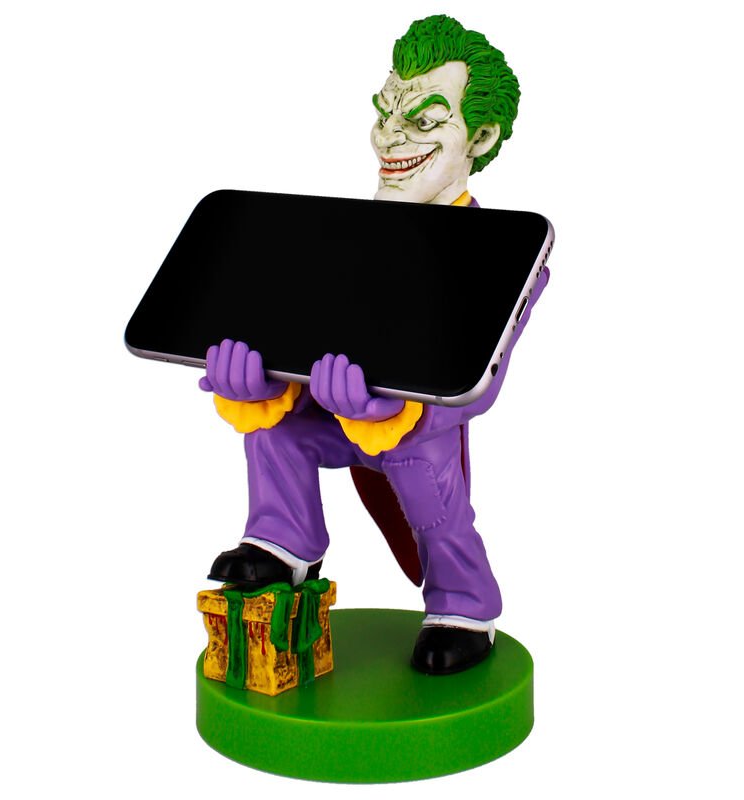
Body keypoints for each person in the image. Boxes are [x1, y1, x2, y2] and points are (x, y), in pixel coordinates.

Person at [199, 15, 549, 674]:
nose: (389, 137)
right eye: (385, 112)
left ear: (479, 137)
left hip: (418, 436)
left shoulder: (500, 256)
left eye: (423, 121)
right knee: (273, 432)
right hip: (332, 414)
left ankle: (463, 602)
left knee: (425, 472)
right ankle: (282, 541)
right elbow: (303, 330)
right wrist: (266, 382)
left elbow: (476, 386)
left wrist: (387, 405)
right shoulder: (341, 236)